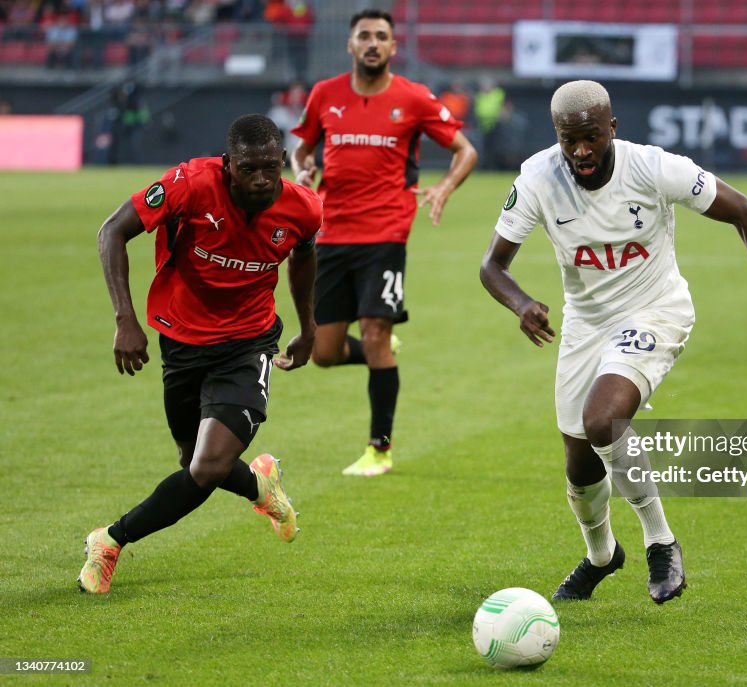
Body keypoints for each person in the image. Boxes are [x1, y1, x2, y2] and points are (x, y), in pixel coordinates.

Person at [480, 80, 747, 604]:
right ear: (557, 136)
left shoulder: (654, 167)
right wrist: (522, 304)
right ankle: (602, 556)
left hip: (656, 310)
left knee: (603, 418)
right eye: (569, 140)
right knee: (580, 460)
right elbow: (492, 266)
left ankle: (661, 540)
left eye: (591, 137)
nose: (581, 151)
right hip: (586, 324)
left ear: (612, 128)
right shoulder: (538, 177)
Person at [78, 114, 323, 594]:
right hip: (182, 343)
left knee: (206, 466)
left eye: (272, 168)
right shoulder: (188, 186)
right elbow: (112, 232)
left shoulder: (303, 208)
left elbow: (305, 257)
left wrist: (309, 327)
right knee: (194, 462)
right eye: (250, 168)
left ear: (283, 162)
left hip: (249, 344)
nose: (262, 180)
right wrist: (124, 319)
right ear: (228, 164)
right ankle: (260, 487)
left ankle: (109, 540)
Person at [290, 8, 477, 477]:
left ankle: (379, 448)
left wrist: (444, 188)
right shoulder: (324, 95)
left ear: (393, 48)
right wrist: (302, 170)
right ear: (350, 46)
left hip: (386, 235)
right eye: (364, 36)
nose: (373, 43)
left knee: (374, 334)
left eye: (381, 37)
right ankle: (382, 346)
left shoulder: (412, 97)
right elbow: (302, 147)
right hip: (331, 234)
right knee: (324, 353)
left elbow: (465, 150)